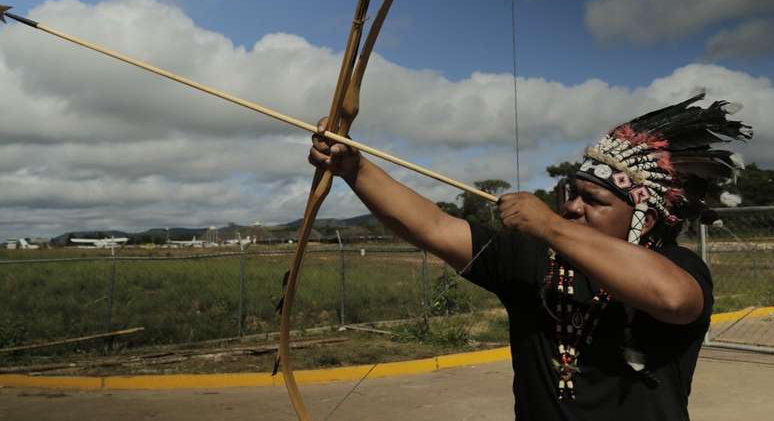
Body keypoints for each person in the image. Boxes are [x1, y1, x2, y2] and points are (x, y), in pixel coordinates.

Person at [308, 93, 752, 420]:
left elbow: (672, 299)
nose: (572, 207)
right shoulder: (535, 259)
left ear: (645, 220)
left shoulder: (678, 264)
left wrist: (550, 226)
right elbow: (434, 227)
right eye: (569, 194)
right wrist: (354, 168)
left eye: (592, 200)